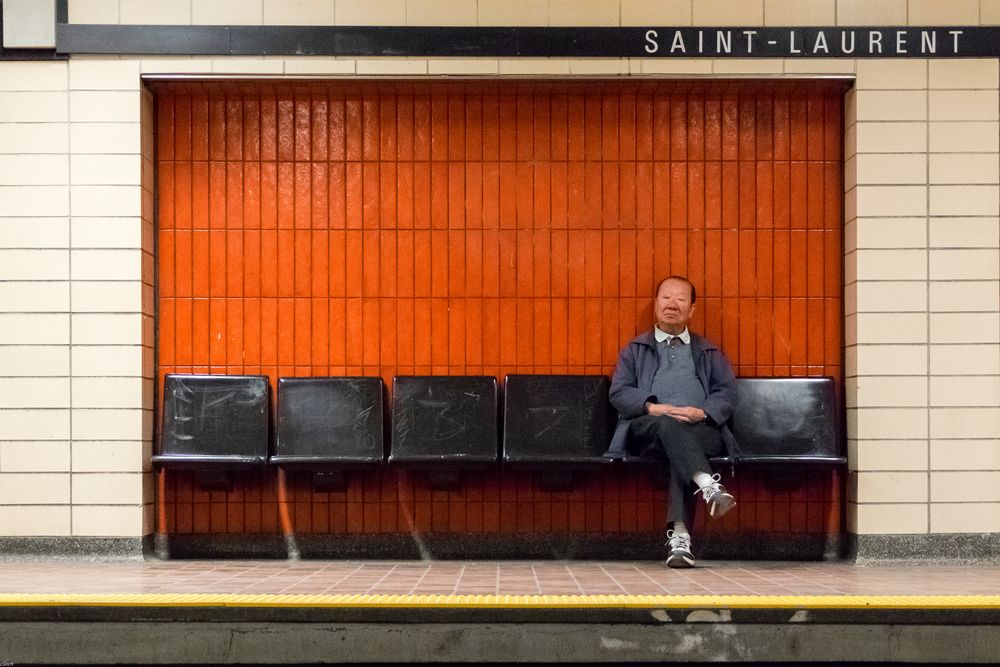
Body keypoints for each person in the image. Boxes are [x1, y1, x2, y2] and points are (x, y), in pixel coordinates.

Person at [605, 275, 740, 568]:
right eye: (666, 298)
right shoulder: (635, 349)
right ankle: (708, 486)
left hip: (702, 429)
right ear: (656, 305)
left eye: (680, 299)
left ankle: (680, 538)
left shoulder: (708, 351)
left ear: (692, 309)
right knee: (670, 426)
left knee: (680, 445)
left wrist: (701, 413)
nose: (672, 304)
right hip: (650, 429)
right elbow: (619, 392)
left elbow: (727, 392)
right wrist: (654, 408)